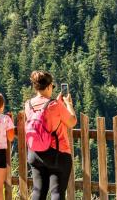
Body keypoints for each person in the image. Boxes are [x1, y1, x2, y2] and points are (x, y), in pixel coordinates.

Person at [24, 71, 77, 200]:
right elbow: (72, 122)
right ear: (48, 86)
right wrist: (68, 105)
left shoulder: (28, 105)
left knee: (38, 192)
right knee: (56, 193)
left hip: (34, 153)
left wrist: (57, 103)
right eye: (52, 87)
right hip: (57, 155)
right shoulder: (55, 105)